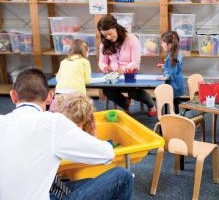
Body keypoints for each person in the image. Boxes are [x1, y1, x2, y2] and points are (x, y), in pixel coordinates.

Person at [0, 68, 133, 200]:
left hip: (42, 191)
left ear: (13, 95)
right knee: (124, 176)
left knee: (66, 183)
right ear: (49, 97)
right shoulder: (53, 123)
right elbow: (107, 154)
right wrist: (92, 130)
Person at [97, 14, 156, 116]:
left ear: (115, 27)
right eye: (105, 35)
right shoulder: (104, 43)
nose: (108, 37)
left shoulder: (131, 39)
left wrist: (123, 69)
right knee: (106, 90)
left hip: (130, 74)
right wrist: (104, 67)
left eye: (110, 34)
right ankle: (126, 103)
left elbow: (135, 63)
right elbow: (102, 62)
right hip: (114, 76)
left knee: (133, 92)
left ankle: (151, 105)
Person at [160, 31, 185, 114]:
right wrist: (164, 67)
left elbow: (173, 71)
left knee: (172, 101)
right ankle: (178, 115)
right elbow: (173, 68)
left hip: (174, 83)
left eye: (163, 43)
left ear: (169, 45)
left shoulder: (172, 56)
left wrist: (166, 76)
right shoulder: (176, 53)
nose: (161, 45)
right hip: (177, 82)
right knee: (176, 101)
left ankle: (173, 117)